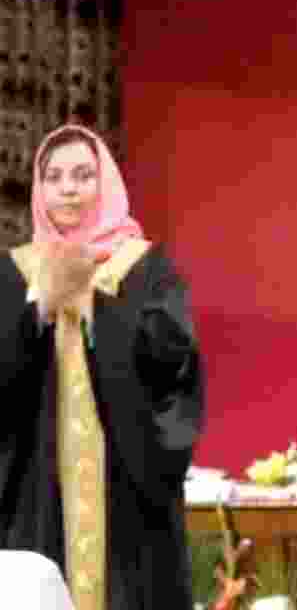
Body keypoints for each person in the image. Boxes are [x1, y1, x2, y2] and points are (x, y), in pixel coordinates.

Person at [0, 124, 202, 610]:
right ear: (39, 189)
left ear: (106, 182)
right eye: (54, 176)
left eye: (83, 175)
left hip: (125, 493)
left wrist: (93, 306)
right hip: (35, 488)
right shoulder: (13, 272)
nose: (68, 188)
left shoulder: (146, 267)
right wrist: (42, 304)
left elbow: (174, 365)